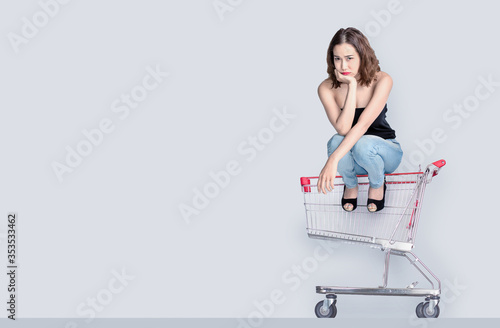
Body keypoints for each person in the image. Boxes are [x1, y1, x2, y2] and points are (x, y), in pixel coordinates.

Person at [316, 27, 403, 212]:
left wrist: (332, 160)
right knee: (335, 141)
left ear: (362, 55)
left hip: (384, 152)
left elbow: (363, 125)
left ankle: (378, 183)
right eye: (337, 58)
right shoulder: (326, 88)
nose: (343, 66)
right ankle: (351, 184)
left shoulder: (382, 79)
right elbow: (343, 129)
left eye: (349, 58)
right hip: (355, 159)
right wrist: (352, 86)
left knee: (363, 144)